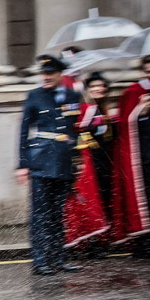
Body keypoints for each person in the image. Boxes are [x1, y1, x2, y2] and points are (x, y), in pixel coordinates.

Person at [16, 55, 82, 275]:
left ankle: (58, 258)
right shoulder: (34, 95)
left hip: (63, 161)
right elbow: (24, 130)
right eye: (44, 73)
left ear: (59, 75)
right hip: (41, 161)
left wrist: (76, 159)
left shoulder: (72, 95)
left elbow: (75, 129)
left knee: (57, 213)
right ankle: (40, 260)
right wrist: (22, 163)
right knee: (40, 214)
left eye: (50, 73)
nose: (46, 77)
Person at [64, 73, 116, 255]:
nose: (97, 89)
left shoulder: (104, 110)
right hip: (87, 161)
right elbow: (75, 131)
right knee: (87, 201)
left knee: (101, 200)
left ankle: (100, 240)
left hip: (103, 162)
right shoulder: (84, 109)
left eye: (101, 85)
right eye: (93, 86)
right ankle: (86, 242)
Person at [111, 54, 150, 256]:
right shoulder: (133, 92)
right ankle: (144, 242)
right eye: (149, 70)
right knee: (144, 198)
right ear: (144, 71)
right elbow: (124, 123)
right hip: (142, 157)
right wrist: (140, 112)